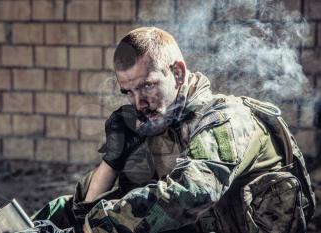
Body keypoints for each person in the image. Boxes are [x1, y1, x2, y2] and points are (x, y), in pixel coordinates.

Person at [33, 27, 315, 233]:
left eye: (146, 85)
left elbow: (191, 192)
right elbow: (89, 205)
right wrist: (112, 160)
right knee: (58, 211)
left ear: (178, 73)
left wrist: (98, 225)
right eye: (128, 92)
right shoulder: (160, 125)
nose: (138, 102)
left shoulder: (228, 119)